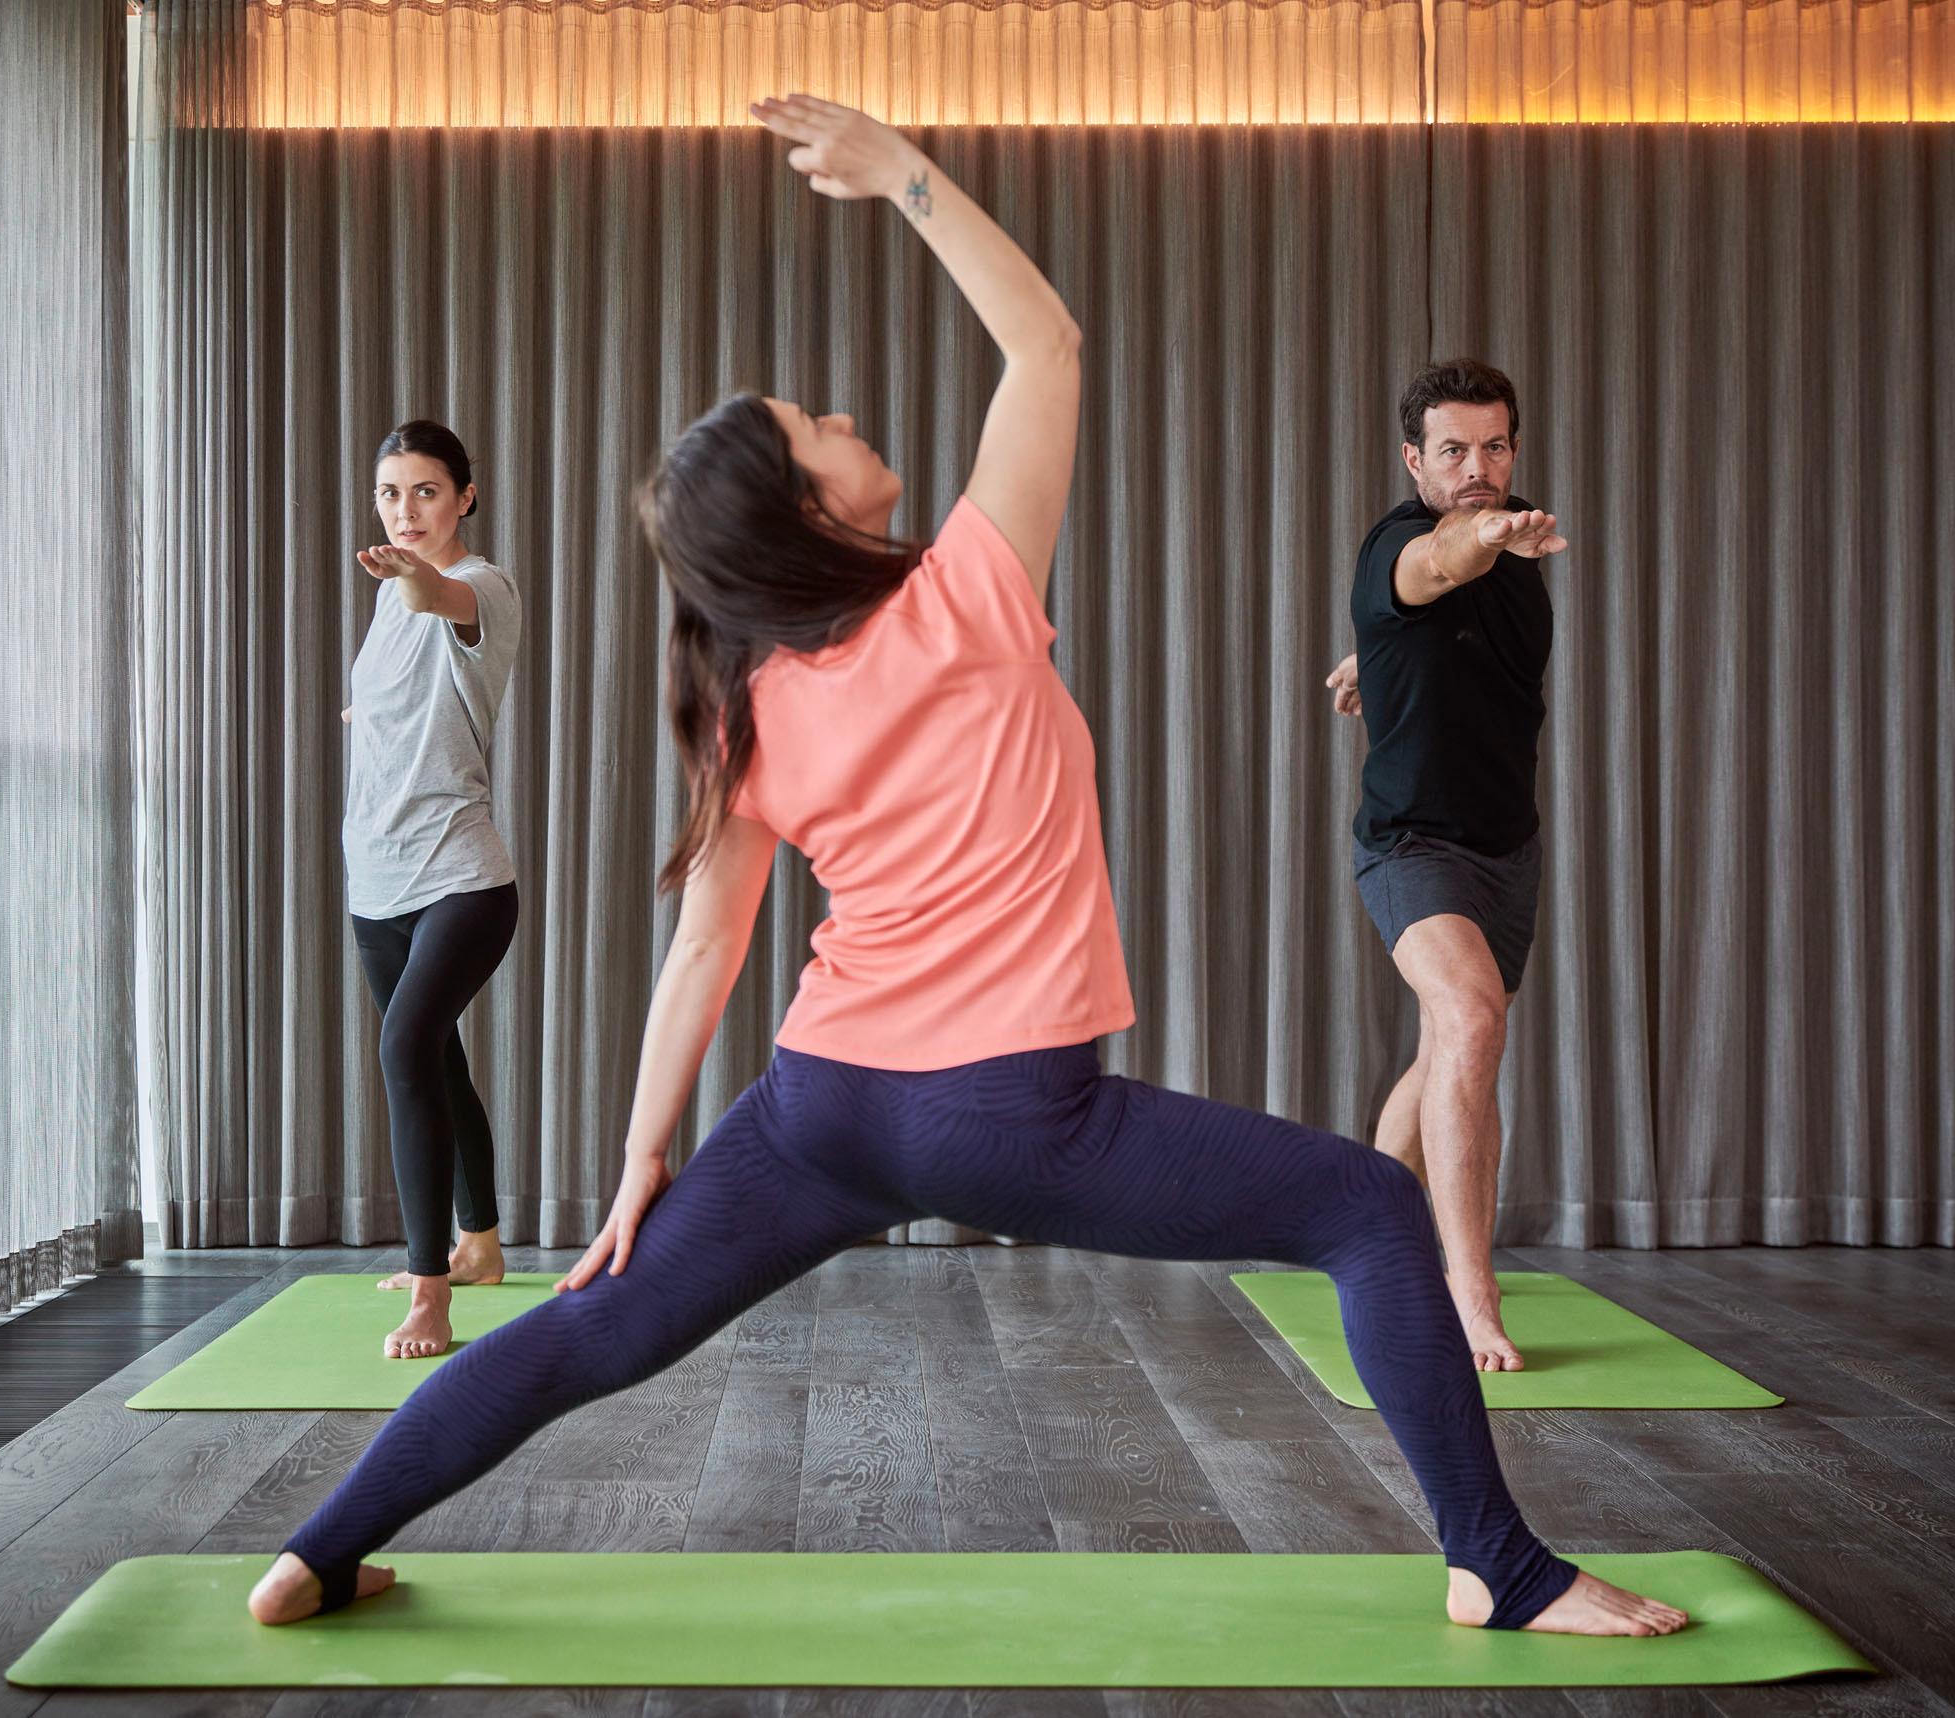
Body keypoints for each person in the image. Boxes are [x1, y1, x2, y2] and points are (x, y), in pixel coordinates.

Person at [249, 98, 1683, 1642]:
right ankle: (1504, 1566)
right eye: (815, 424)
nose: (843, 414)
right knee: (1368, 1214)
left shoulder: (750, 700)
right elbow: (1047, 344)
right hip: (1010, 1114)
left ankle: (317, 1549)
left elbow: (709, 950)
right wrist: (903, 178)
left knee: (601, 1325)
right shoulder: (969, 590)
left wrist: (644, 1157)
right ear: (807, 507)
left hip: (818, 1108)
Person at [1322, 361, 1564, 1373]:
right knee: (1469, 1018)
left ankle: (1362, 1247)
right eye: (1453, 451)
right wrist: (1480, 535)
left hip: (1507, 848)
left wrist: (1365, 665)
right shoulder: (1404, 544)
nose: (1477, 470)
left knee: (1443, 1057)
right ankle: (1468, 1292)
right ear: (1414, 458)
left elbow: (1430, 636)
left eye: (1494, 447)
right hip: (1408, 844)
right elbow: (1433, 567)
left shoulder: (1519, 563)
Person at [341, 419, 524, 1359]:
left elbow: (438, 594)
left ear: (464, 495)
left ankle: (430, 1291)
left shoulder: (481, 587)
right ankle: (480, 1244)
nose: (405, 509)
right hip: (376, 878)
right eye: (388, 493)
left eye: (423, 491)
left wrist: (408, 575)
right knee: (438, 1059)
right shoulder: (384, 610)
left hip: (462, 877)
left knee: (406, 1047)